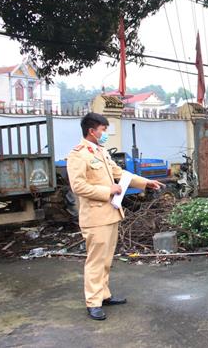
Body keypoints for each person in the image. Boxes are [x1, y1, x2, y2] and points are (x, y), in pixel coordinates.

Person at [67, 112, 164, 320]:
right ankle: (93, 302)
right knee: (95, 260)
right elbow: (78, 186)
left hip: (110, 214)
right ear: (92, 131)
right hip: (94, 217)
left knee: (106, 259)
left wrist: (145, 182)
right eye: (103, 130)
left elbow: (119, 172)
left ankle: (104, 295)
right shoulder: (78, 154)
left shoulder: (100, 152)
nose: (105, 134)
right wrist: (108, 191)